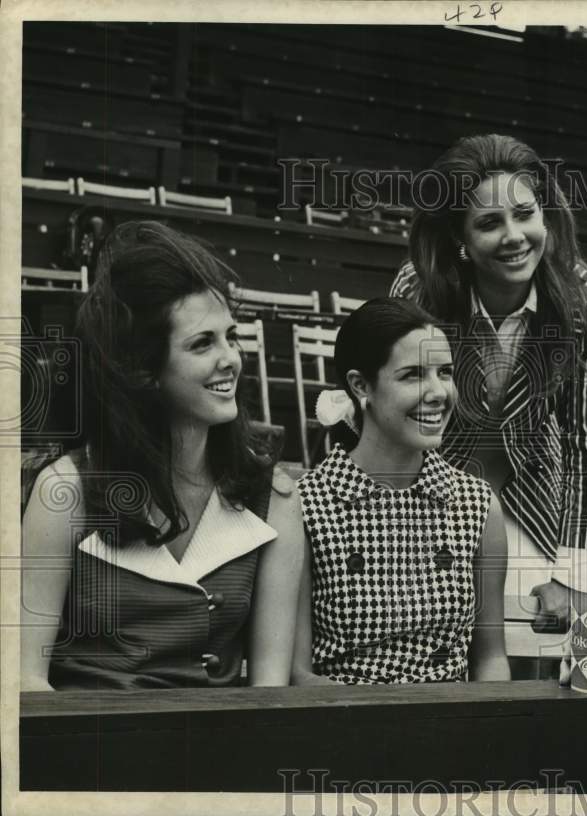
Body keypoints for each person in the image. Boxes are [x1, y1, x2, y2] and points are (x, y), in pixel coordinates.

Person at [20, 221, 304, 691]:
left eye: (230, 337)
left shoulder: (274, 497)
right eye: (202, 343)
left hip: (221, 753)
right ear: (144, 371)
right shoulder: (65, 490)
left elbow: (268, 694)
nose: (230, 358)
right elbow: (26, 681)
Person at [390, 133, 587, 632]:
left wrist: (572, 573)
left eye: (525, 214)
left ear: (546, 217)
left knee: (536, 658)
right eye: (490, 223)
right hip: (428, 502)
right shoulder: (419, 289)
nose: (514, 236)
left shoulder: (583, 300)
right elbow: (392, 418)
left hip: (531, 505)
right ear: (460, 240)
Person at [292, 298, 510, 684]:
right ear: (361, 386)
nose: (438, 392)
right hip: (344, 725)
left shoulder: (476, 505)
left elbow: (490, 659)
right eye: (412, 375)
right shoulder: (307, 504)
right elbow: (297, 674)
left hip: (453, 728)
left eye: (445, 372)